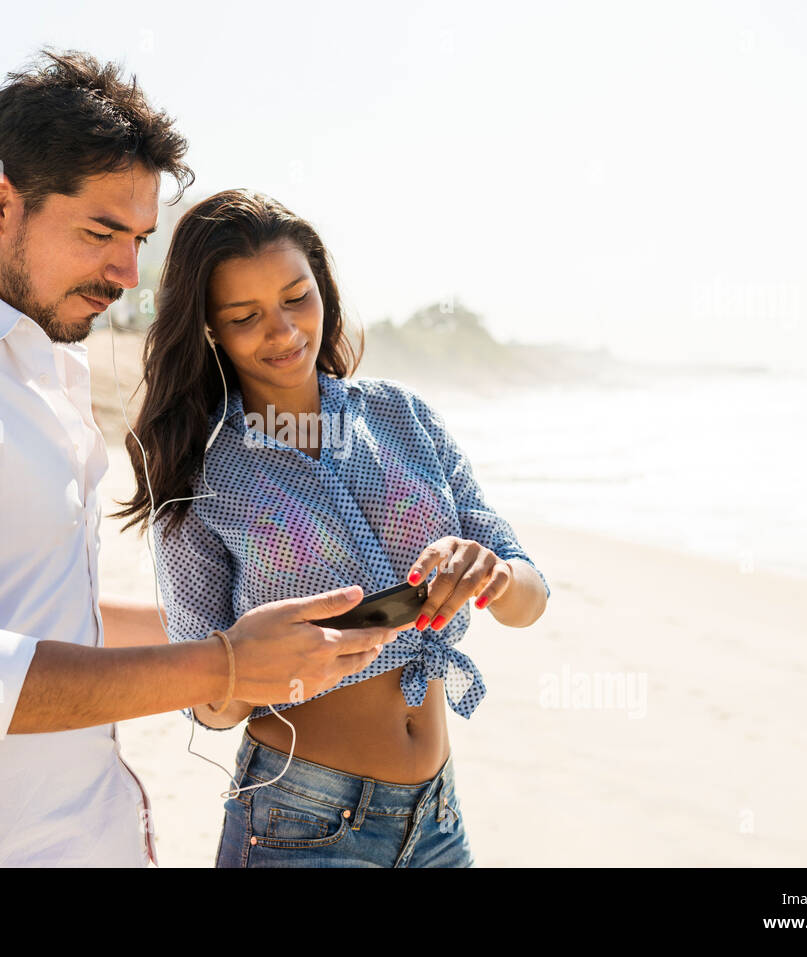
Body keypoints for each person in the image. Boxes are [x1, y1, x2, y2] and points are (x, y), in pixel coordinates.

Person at [0, 51, 401, 868]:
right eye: (100, 233)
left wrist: (246, 630)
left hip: (102, 832)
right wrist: (222, 664)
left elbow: (47, 612)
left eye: (140, 239)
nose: (128, 273)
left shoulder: (44, 369)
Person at [116, 189, 551, 867]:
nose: (284, 330)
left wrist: (493, 574)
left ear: (324, 286)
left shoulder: (404, 417)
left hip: (438, 819)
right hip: (301, 824)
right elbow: (207, 703)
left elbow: (531, 596)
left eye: (297, 297)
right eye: (245, 315)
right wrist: (244, 665)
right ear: (210, 330)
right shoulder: (197, 471)